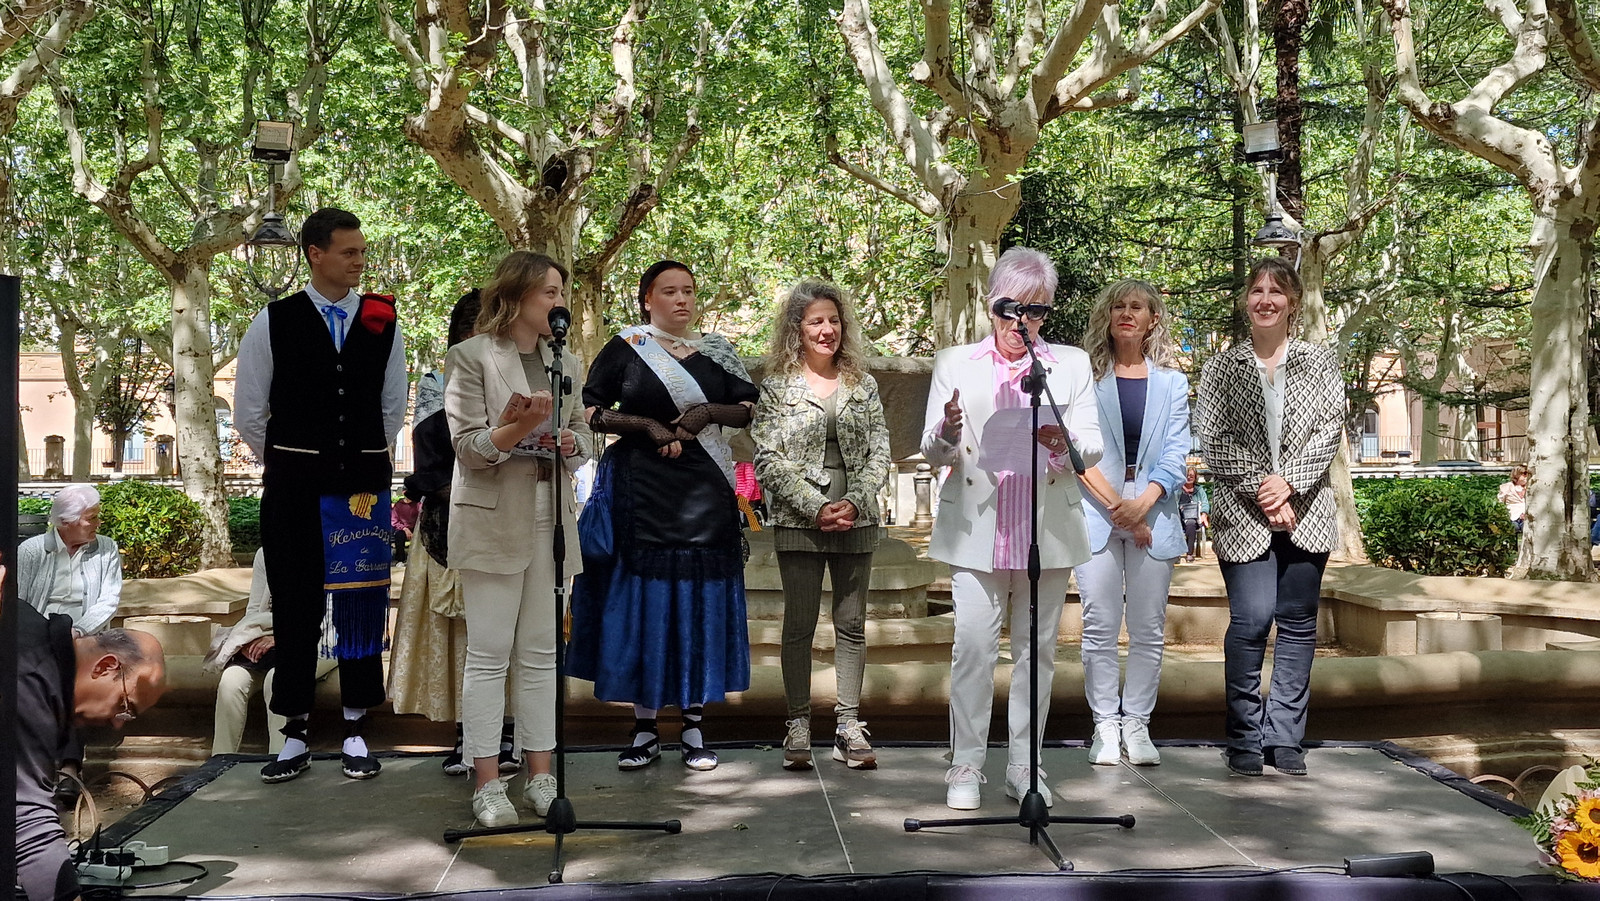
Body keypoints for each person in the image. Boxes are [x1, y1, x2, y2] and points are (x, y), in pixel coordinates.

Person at [920, 246, 1101, 810]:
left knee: (1037, 653)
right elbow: (932, 450)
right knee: (973, 648)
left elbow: (1092, 444)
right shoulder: (955, 362)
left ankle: (1025, 767)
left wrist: (1064, 442)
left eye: (1036, 311)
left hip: (1046, 530)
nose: (1021, 322)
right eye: (1010, 309)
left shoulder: (1069, 364)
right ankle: (966, 765)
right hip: (978, 529)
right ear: (990, 304)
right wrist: (947, 432)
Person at [234, 207, 409, 784]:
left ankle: (357, 727)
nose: (360, 261)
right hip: (294, 489)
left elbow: (391, 407)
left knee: (360, 603)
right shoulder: (274, 320)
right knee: (295, 605)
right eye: (348, 252)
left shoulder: (383, 319)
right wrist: (293, 462)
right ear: (315, 253)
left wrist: (357, 456)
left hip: (360, 487)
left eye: (361, 251)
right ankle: (294, 732)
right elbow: (250, 412)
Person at [568, 259, 758, 773]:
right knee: (646, 605)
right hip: (639, 489)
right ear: (647, 299)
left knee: (698, 602)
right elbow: (591, 409)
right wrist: (646, 426)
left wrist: (705, 414)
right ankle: (645, 728)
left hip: (704, 491)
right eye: (669, 291)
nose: (681, 300)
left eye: (688, 291)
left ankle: (694, 725)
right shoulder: (626, 347)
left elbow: (747, 406)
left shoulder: (717, 351)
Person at [445, 251, 593, 827]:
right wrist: (519, 427)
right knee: (488, 656)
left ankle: (541, 777)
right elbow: (468, 449)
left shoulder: (566, 362)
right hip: (491, 517)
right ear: (517, 296)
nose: (559, 303)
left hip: (551, 516)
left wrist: (571, 444)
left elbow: (583, 436)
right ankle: (486, 782)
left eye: (561, 293)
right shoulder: (471, 356)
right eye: (549, 293)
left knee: (541, 654)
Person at [1195, 257, 1345, 779]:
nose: (1265, 300)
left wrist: (1291, 484)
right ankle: (1243, 735)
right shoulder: (1221, 367)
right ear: (1246, 300)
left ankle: (1285, 737)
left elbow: (1330, 427)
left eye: (1276, 292)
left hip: (1307, 511)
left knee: (1299, 622)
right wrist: (1267, 489)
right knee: (1253, 619)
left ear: (1293, 303)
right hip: (1243, 514)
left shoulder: (1319, 361)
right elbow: (1213, 436)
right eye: (1256, 291)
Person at [751, 280, 892, 772]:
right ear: (798, 329)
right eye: (816, 321)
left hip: (857, 518)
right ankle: (798, 724)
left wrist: (853, 500)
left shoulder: (863, 384)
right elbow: (767, 459)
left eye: (833, 320)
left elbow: (880, 453)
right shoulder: (776, 387)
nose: (827, 329)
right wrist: (815, 506)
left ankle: (849, 725)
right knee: (799, 626)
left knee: (851, 626)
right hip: (799, 521)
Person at [388, 291, 522, 777]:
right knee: (461, 636)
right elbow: (429, 459)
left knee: (509, 630)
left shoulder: (524, 380)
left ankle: (511, 731)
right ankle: (469, 733)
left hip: (510, 519)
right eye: (475, 328)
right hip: (449, 525)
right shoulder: (436, 383)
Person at [1074, 279, 1191, 768]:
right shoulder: (1085, 379)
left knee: (1147, 629)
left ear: (1152, 319)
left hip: (1154, 515)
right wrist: (1119, 507)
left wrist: (1142, 503)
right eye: (1118, 306)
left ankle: (1137, 723)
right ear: (1108, 316)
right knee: (1099, 626)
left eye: (1137, 307)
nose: (1126, 313)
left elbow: (1177, 451)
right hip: (1095, 514)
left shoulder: (1173, 384)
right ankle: (1105, 724)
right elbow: (1076, 453)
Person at [16, 598, 167, 901]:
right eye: (125, 706)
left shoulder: (31, 636)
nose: (117, 724)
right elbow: (28, 822)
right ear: (106, 666)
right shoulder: (31, 676)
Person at [17, 484, 124, 635]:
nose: (98, 523)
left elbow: (109, 600)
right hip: (38, 635)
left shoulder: (107, 547)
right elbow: (19, 602)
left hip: (87, 635)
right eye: (92, 518)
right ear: (66, 521)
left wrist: (79, 631)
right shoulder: (31, 550)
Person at [1177, 467, 1210, 562]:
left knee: (1191, 524)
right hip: (1179, 517)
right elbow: (1173, 503)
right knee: (1174, 524)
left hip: (1194, 518)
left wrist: (1204, 514)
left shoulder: (1199, 490)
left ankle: (1189, 553)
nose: (1189, 477)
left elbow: (1205, 503)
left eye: (1191, 476)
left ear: (1195, 477)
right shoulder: (1178, 490)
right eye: (1187, 475)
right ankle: (1176, 554)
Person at [1497, 464, 1530, 533]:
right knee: (1513, 528)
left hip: (1526, 517)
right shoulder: (1507, 487)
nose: (1526, 477)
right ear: (1517, 474)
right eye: (1524, 474)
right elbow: (1500, 502)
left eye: (1527, 474)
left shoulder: (1530, 487)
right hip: (1512, 516)